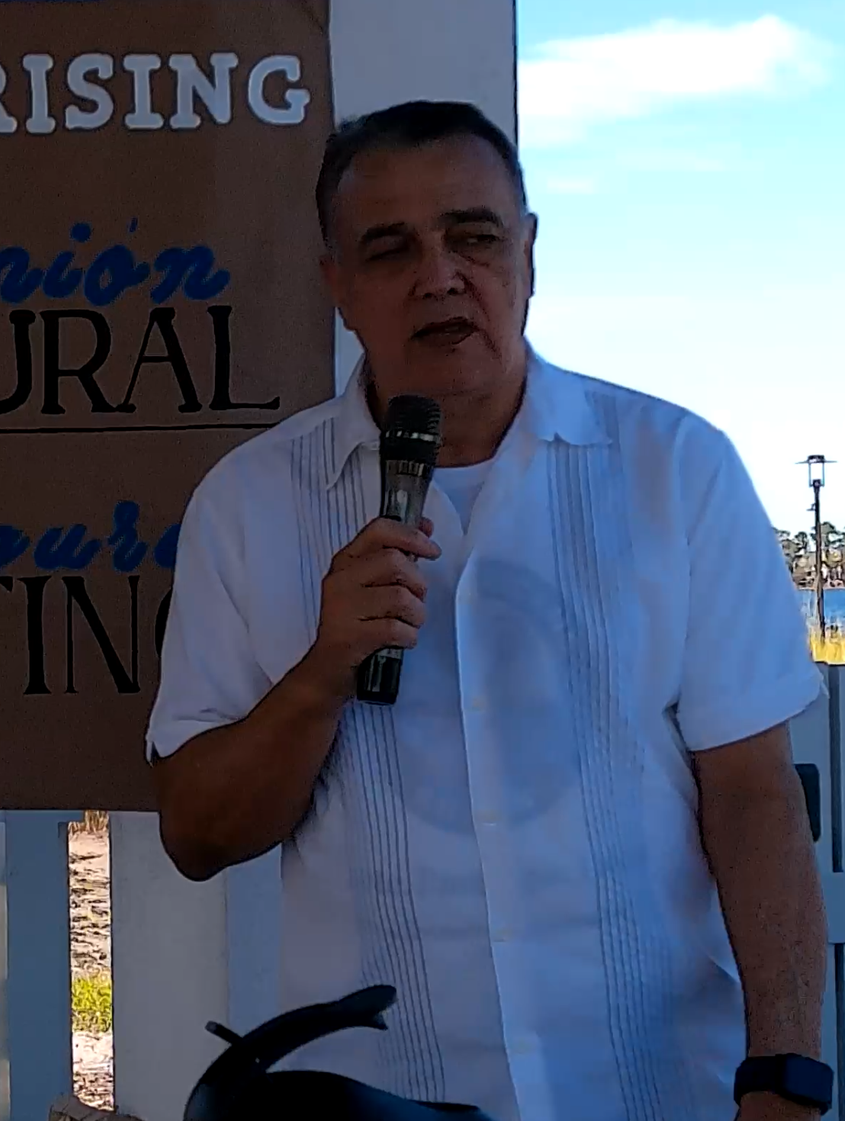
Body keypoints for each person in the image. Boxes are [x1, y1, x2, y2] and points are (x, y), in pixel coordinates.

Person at [146, 100, 830, 1121]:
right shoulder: (247, 505)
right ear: (337, 286)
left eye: (472, 236)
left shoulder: (674, 469)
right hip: (383, 1101)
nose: (439, 276)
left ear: (529, 254)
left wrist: (783, 1074)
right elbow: (197, 833)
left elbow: (751, 792)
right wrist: (319, 676)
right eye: (390, 249)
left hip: (655, 1087)